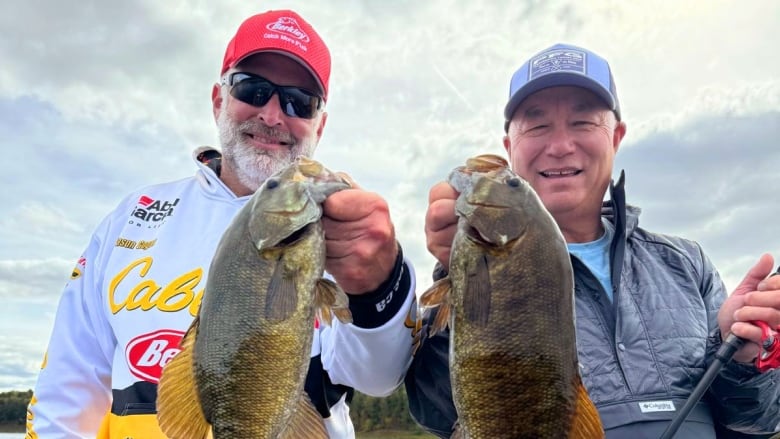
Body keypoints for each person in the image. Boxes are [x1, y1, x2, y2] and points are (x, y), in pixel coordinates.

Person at [26, 9, 416, 439]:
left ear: (318, 126)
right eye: (253, 89)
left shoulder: (346, 235)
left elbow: (378, 377)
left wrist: (379, 281)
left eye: (298, 102)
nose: (272, 115)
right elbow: (67, 387)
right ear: (219, 100)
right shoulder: (130, 218)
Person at [405, 43, 780, 438]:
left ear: (616, 137)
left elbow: (754, 424)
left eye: (583, 123)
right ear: (509, 148)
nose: (561, 145)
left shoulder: (686, 264)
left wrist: (740, 355)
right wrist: (463, 277)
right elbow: (438, 409)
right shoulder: (470, 272)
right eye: (537, 125)